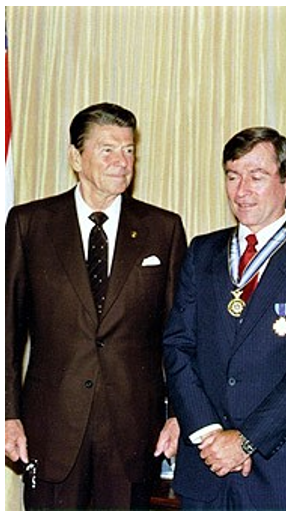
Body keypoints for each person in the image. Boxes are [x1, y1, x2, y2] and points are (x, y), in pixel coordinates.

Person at [4, 102, 186, 509]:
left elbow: (178, 337)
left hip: (134, 433)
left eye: (128, 150)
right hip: (51, 429)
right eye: (107, 149)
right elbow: (7, 329)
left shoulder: (163, 229)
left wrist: (178, 414)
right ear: (75, 157)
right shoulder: (29, 224)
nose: (122, 162)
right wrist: (7, 414)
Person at [162, 127, 286, 509]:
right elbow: (178, 346)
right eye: (232, 176)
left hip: (279, 469)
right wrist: (210, 434)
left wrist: (245, 441)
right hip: (206, 464)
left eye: (256, 176)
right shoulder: (203, 251)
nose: (241, 190)